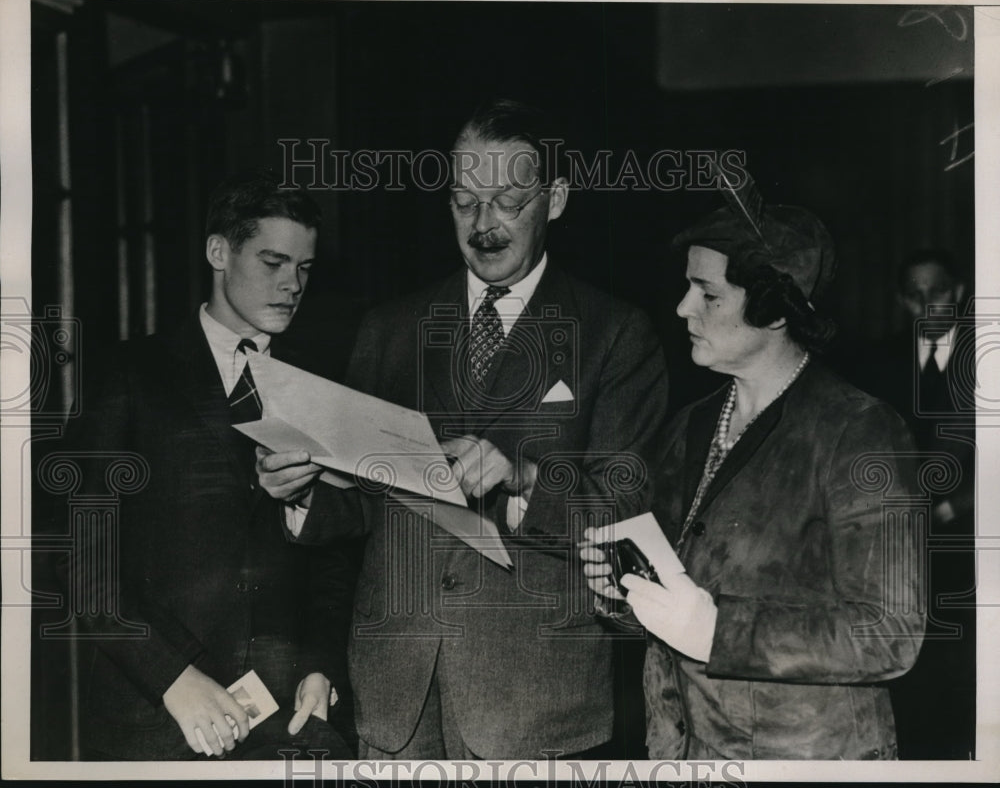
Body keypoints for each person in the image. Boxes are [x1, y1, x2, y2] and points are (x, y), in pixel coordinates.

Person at [257, 98, 670, 759]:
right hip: (395, 701)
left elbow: (627, 510)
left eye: (507, 200)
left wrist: (524, 477)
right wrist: (300, 488)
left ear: (555, 198)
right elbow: (362, 503)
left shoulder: (617, 335)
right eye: (464, 201)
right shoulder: (388, 329)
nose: (484, 224)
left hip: (534, 708)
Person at [579, 203, 925, 759]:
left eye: (708, 294)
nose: (683, 307)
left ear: (774, 310)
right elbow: (682, 599)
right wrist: (622, 592)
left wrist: (718, 633)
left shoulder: (861, 431)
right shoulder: (688, 426)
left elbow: (888, 635)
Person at [52, 169, 354, 760]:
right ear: (219, 251)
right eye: (272, 262)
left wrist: (319, 665)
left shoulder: (320, 385)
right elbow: (78, 554)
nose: (292, 284)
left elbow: (337, 553)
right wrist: (173, 677)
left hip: (284, 720)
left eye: (304, 268)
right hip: (156, 717)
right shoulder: (129, 372)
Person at [859, 250, 976, 759]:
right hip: (896, 545)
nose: (927, 304)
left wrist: (952, 511)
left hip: (970, 543)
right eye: (915, 294)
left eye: (938, 292)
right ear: (902, 300)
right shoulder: (877, 361)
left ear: (959, 292)